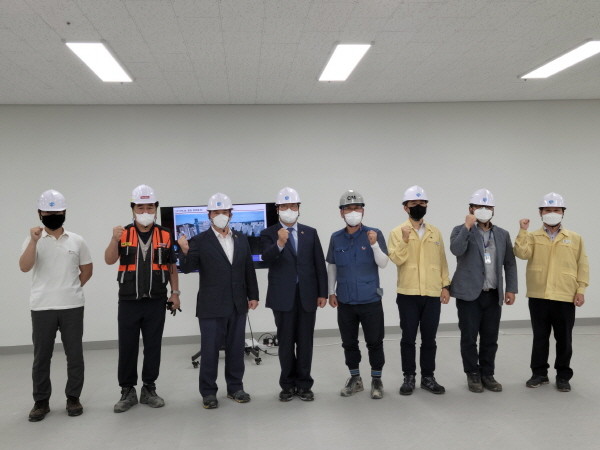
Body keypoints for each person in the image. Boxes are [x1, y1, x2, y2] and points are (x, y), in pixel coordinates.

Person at [177, 193, 259, 409]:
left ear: (231, 214)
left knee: (236, 349)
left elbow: (248, 269)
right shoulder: (199, 240)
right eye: (216, 212)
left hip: (238, 303)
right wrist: (184, 251)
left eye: (224, 211)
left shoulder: (240, 238)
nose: (220, 215)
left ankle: (235, 388)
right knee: (210, 351)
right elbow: (187, 268)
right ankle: (208, 392)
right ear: (209, 215)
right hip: (211, 305)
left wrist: (253, 295)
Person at [105, 184, 180, 413]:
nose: (145, 211)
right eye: (140, 207)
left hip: (156, 299)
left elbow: (171, 266)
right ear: (133, 209)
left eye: (149, 207)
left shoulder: (165, 234)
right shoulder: (123, 233)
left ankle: (149, 388)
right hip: (128, 300)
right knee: (127, 347)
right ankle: (127, 391)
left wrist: (175, 293)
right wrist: (113, 240)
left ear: (156, 209)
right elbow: (109, 259)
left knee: (153, 346)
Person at [19, 189, 93, 422]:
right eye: (49, 212)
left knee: (75, 355)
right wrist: (33, 241)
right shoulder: (33, 240)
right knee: (42, 357)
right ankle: (41, 402)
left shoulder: (77, 240)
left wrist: (71, 287)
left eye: (58, 212)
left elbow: (87, 269)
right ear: (40, 213)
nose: (53, 216)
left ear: (65, 212)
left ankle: (73, 398)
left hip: (72, 306)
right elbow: (24, 266)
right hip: (42, 307)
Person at [514, 192, 588, 392]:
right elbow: (521, 253)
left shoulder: (574, 238)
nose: (552, 213)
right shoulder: (532, 236)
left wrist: (580, 289)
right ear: (540, 212)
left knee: (564, 339)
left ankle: (563, 376)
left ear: (563, 212)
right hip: (539, 295)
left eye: (556, 209)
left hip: (565, 295)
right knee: (540, 337)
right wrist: (522, 231)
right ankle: (539, 374)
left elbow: (582, 265)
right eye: (548, 210)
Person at [260, 187, 327, 401]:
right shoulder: (268, 233)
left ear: (299, 208)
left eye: (293, 206)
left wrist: (323, 292)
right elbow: (266, 257)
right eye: (285, 206)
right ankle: (287, 385)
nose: (289, 210)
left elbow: (319, 264)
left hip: (307, 295)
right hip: (282, 297)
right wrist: (280, 242)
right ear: (277, 209)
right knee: (286, 342)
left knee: (305, 342)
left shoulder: (310, 232)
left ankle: (304, 384)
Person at [449, 189, 518, 393]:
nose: (484, 210)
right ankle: (472, 373)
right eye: (479, 206)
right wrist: (467, 226)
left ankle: (487, 373)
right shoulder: (460, 230)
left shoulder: (502, 234)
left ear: (493, 209)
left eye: (488, 207)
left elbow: (510, 263)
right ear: (471, 209)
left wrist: (511, 289)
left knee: (490, 338)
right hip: (469, 295)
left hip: (493, 294)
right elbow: (456, 250)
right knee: (469, 337)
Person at [388, 185, 450, 396]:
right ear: (405, 207)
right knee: (408, 338)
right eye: (414, 203)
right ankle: (409, 377)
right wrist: (405, 240)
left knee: (429, 339)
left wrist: (445, 286)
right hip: (408, 293)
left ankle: (428, 377)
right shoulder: (397, 232)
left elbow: (442, 261)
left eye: (422, 203)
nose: (419, 206)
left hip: (432, 293)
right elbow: (396, 259)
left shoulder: (435, 232)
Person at [327, 190, 389, 399]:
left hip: (370, 299)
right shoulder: (336, 238)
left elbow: (383, 263)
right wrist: (331, 292)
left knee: (375, 342)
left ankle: (376, 379)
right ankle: (355, 378)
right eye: (348, 209)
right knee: (349, 343)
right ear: (341, 213)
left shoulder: (374, 233)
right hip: (345, 300)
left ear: (363, 211)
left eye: (357, 208)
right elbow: (332, 266)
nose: (353, 212)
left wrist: (374, 245)